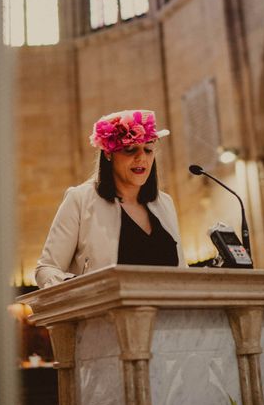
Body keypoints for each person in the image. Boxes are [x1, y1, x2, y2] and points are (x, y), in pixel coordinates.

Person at [35, 109, 186, 288]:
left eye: (148, 149)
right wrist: (85, 290)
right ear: (108, 154)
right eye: (130, 150)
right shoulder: (80, 199)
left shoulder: (165, 203)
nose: (141, 158)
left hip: (171, 315)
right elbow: (46, 269)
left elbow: (182, 271)